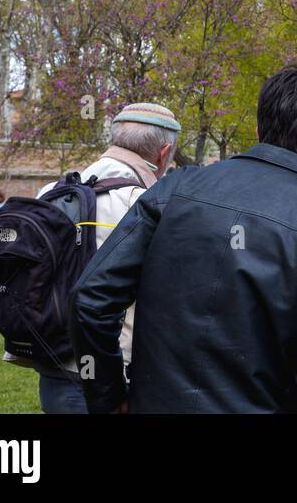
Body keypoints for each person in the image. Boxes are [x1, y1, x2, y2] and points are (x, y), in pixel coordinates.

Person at [72, 69, 297, 413]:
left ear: (260, 129)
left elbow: (90, 298)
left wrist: (109, 396)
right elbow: (91, 299)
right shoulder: (175, 189)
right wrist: (110, 396)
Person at [25, 103, 181, 413]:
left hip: (52, 359)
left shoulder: (49, 192)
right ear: (163, 154)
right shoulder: (146, 204)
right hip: (114, 372)